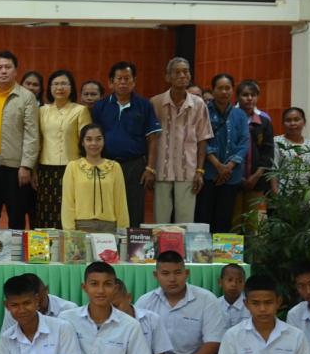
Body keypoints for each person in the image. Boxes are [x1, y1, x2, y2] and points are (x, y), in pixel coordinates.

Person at [133, 251, 226, 354]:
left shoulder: (206, 299)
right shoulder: (145, 301)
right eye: (165, 273)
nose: (172, 279)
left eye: (177, 273)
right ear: (156, 275)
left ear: (186, 273)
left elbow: (213, 341)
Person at [90, 61, 160, 228]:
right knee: (106, 206)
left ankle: (132, 243)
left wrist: (150, 168)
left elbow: (153, 138)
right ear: (111, 82)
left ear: (134, 81)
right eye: (119, 78)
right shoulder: (100, 106)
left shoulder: (144, 105)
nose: (123, 82)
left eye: (127, 78)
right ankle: (107, 242)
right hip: (106, 164)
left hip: (135, 165)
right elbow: (92, 138)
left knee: (133, 208)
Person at [0, 50, 38, 230]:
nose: (3, 71)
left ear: (16, 71)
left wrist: (26, 166)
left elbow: (32, 134)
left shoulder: (26, 97)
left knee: (16, 214)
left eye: (8, 67)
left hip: (15, 167)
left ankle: (16, 249)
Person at [150, 57, 212, 224]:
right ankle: (161, 244)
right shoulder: (155, 103)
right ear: (167, 77)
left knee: (185, 222)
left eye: (185, 71)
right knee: (160, 221)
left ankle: (182, 244)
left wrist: (200, 171)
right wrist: (149, 167)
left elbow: (203, 139)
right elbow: (151, 138)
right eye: (177, 72)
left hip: (188, 170)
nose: (182, 75)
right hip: (161, 169)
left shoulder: (199, 104)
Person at [35, 69, 91, 228]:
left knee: (70, 209)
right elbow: (37, 142)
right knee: (46, 210)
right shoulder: (41, 111)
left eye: (64, 83)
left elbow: (86, 142)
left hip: (72, 167)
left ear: (71, 87)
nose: (59, 87)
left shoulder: (80, 110)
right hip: (46, 170)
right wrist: (33, 169)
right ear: (49, 88)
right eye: (55, 84)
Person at [195, 73, 249, 233]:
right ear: (213, 90)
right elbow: (200, 139)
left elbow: (244, 142)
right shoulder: (204, 111)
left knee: (224, 219)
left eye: (227, 88)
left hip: (231, 176)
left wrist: (228, 167)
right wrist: (218, 166)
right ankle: (202, 249)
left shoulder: (240, 114)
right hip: (208, 173)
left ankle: (220, 249)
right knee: (203, 217)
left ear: (232, 90)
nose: (224, 92)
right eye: (220, 88)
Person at [61, 123, 129, 231]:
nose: (94, 143)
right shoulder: (73, 167)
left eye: (98, 139)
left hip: (109, 227)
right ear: (82, 142)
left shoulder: (115, 167)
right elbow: (68, 203)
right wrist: (69, 232)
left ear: (104, 141)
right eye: (89, 139)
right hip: (81, 227)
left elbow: (121, 203)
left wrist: (123, 231)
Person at [233, 79, 275, 228]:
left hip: (256, 180)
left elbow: (268, 152)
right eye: (245, 95)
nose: (249, 98)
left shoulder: (264, 122)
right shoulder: (231, 119)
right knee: (234, 222)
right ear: (237, 97)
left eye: (253, 95)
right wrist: (239, 176)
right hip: (232, 179)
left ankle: (251, 246)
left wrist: (256, 176)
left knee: (252, 223)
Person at [273, 107, 310, 192]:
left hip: (307, 193)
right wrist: (276, 194)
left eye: (296, 119)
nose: (292, 123)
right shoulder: (277, 142)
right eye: (288, 120)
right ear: (283, 123)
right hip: (284, 193)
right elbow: (273, 170)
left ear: (304, 122)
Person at [216, 263, 248, 330]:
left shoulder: (250, 306)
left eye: (239, 281)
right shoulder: (215, 305)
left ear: (244, 284)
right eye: (230, 280)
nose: (234, 284)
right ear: (220, 282)